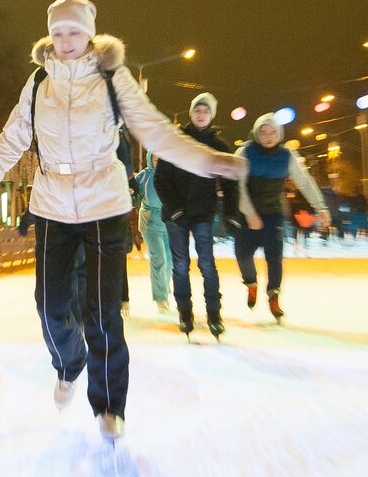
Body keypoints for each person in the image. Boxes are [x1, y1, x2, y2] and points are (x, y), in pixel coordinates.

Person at [0, 0, 241, 441]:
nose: (66, 41)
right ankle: (68, 363)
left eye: (74, 32)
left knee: (101, 311)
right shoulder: (38, 83)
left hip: (105, 204)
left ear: (90, 34)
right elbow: (11, 139)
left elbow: (154, 130)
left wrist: (208, 162)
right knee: (51, 307)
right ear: (49, 37)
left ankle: (109, 406)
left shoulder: (113, 78)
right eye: (58, 33)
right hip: (53, 203)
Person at [153, 92, 239, 338]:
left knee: (207, 265)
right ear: (191, 113)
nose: (201, 115)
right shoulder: (175, 142)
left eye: (206, 111)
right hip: (176, 215)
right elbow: (162, 180)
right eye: (197, 110)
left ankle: (214, 314)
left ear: (211, 116)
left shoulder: (220, 147)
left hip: (202, 214)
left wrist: (231, 213)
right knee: (180, 266)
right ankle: (185, 314)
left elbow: (231, 182)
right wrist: (176, 208)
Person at [233, 113, 330, 323]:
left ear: (279, 134)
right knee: (242, 254)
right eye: (263, 132)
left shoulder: (287, 156)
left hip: (272, 214)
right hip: (247, 212)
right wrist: (249, 213)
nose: (268, 136)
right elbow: (237, 186)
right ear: (257, 133)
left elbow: (305, 182)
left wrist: (320, 207)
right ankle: (251, 284)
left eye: (272, 132)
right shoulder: (245, 152)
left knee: (274, 257)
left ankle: (273, 297)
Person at [134, 152, 174, 316]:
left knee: (170, 259)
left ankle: (164, 289)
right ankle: (160, 297)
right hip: (150, 222)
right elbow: (134, 195)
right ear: (151, 159)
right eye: (157, 159)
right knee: (159, 259)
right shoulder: (144, 176)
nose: (160, 162)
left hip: (170, 222)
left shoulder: (172, 174)